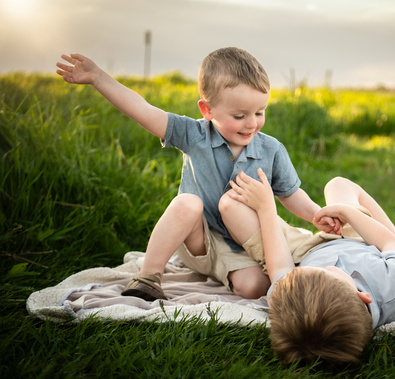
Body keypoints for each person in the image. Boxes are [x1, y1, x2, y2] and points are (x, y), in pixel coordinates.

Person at [56, 47, 337, 300]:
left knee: (254, 289)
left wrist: (316, 214)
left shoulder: (272, 150)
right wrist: (98, 77)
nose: (252, 124)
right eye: (239, 116)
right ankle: (149, 277)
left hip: (244, 247)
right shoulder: (194, 135)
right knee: (187, 202)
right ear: (207, 110)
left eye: (260, 112)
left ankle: (224, 275)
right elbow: (142, 110)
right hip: (200, 240)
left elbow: (290, 194)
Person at [222, 169, 395, 364]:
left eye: (303, 272)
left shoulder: (290, 298)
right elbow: (388, 243)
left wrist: (266, 208)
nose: (325, 266)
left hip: (304, 253)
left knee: (231, 204)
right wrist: (346, 212)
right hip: (363, 240)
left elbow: (281, 266)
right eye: (327, 271)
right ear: (363, 297)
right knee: (338, 185)